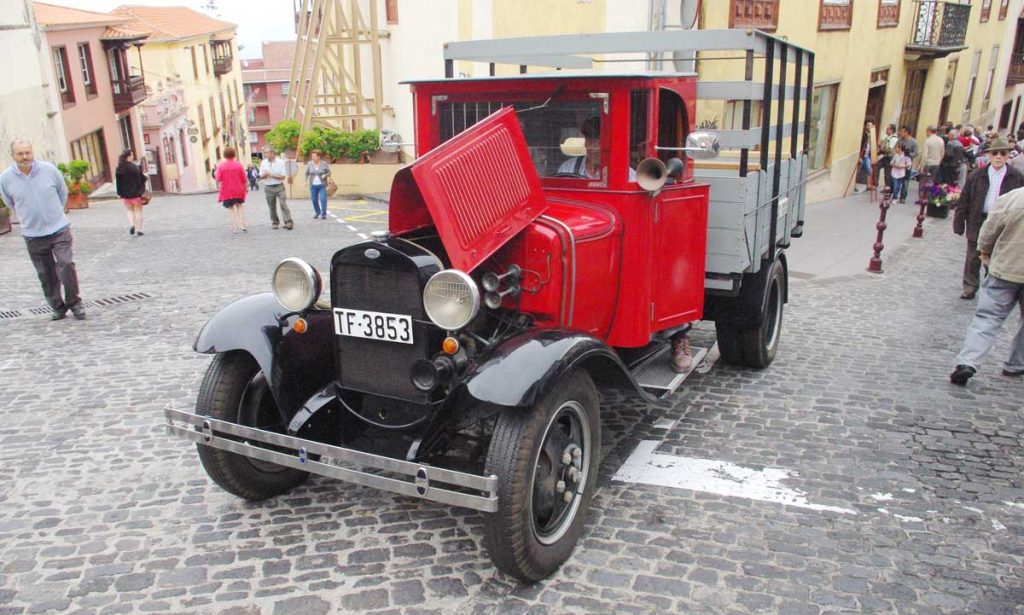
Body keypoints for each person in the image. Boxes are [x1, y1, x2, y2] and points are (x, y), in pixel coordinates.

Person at [0, 139, 85, 320]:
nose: (25, 157)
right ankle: (57, 306)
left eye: (27, 152)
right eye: (20, 154)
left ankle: (75, 303)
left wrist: (55, 214)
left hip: (59, 228)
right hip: (33, 234)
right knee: (46, 273)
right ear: (13, 156)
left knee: (66, 265)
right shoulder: (6, 178)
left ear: (32, 152)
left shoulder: (49, 170)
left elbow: (62, 193)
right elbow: (10, 202)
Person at [949, 186, 1024, 385]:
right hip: (1007, 269)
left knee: (987, 318)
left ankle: (968, 362)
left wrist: (984, 251)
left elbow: (990, 228)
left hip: (1005, 268)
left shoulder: (1013, 198)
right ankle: (1016, 364)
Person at [954, 138, 1024, 299]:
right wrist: (959, 222)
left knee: (996, 254)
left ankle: (991, 285)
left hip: (1003, 221)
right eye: (994, 153)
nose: (998, 156)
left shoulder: (1016, 177)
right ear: (989, 155)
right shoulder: (977, 175)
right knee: (973, 255)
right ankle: (970, 285)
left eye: (1003, 153)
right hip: (978, 218)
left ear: (1008, 156)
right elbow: (964, 199)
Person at [115, 150, 148, 237]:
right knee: (138, 211)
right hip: (136, 193)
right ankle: (139, 229)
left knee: (129, 210)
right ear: (128, 157)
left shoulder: (119, 168)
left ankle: (132, 224)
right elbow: (142, 179)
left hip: (126, 194)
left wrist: (119, 193)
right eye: (132, 155)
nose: (133, 156)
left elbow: (118, 182)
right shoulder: (134, 167)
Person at [216, 147, 248, 234]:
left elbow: (218, 178)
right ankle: (242, 224)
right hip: (238, 189)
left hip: (227, 191)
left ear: (224, 155)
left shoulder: (221, 166)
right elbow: (244, 178)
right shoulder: (238, 165)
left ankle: (234, 227)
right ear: (234, 154)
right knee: (239, 206)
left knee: (230, 208)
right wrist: (246, 187)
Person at [259, 146, 293, 230]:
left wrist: (271, 175)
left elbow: (283, 176)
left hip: (279, 186)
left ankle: (288, 221)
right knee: (272, 206)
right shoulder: (263, 163)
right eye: (265, 153)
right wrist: (265, 175)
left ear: (273, 153)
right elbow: (260, 176)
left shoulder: (280, 162)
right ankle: (275, 222)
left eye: (268, 153)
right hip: (268, 187)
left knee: (283, 204)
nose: (266, 155)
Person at [305, 149, 331, 220]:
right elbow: (306, 173)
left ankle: (323, 214)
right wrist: (305, 181)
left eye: (314, 156)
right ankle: (317, 212)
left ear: (318, 157)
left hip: (322, 185)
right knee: (314, 200)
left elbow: (329, 173)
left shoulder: (324, 164)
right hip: (313, 186)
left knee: (323, 199)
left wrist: (325, 175)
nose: (312, 157)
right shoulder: (309, 164)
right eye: (312, 156)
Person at [897, 125, 919, 203]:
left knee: (905, 180)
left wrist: (909, 154)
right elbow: (896, 149)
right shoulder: (899, 140)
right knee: (896, 178)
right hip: (899, 162)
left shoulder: (913, 142)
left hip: (907, 163)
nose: (900, 133)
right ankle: (894, 195)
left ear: (907, 133)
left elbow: (916, 153)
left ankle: (903, 197)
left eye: (902, 131)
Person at [875, 124, 897, 190]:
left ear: (891, 130)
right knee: (876, 166)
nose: (886, 130)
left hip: (890, 157)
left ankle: (887, 188)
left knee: (887, 173)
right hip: (885, 156)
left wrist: (881, 149)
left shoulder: (894, 139)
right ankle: (875, 183)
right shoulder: (887, 137)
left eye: (888, 129)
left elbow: (890, 150)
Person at [922, 125, 944, 190]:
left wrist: (922, 166)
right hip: (936, 163)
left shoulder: (928, 140)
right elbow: (942, 152)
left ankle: (922, 197)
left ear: (929, 131)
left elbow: (925, 155)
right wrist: (939, 161)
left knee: (924, 181)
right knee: (932, 181)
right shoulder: (941, 140)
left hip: (928, 163)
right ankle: (929, 195)